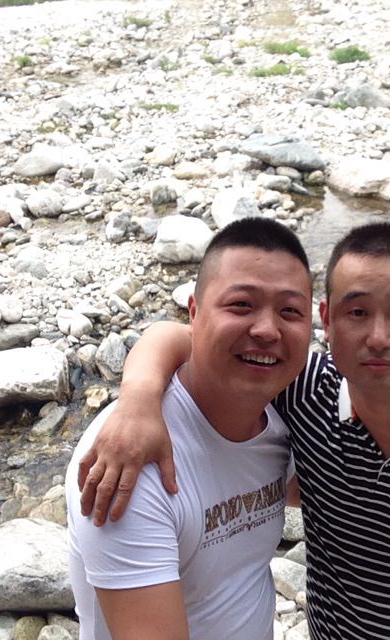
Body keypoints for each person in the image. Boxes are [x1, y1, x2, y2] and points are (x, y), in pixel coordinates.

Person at [79, 222, 390, 640]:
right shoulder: (302, 391)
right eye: (357, 312)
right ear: (328, 321)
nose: (378, 337)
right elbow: (195, 339)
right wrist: (138, 399)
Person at [65, 217, 313, 640]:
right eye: (241, 305)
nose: (267, 330)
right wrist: (139, 397)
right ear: (194, 313)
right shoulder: (129, 464)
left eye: (290, 311)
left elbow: (300, 489)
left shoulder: (283, 405)